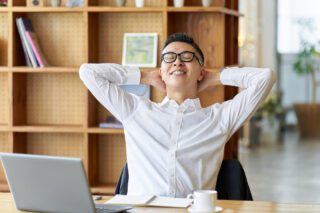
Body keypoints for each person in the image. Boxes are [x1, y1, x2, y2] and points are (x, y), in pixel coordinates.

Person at [79, 33, 276, 198]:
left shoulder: (219, 119)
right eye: (169, 57)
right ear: (161, 72)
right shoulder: (135, 111)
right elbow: (88, 72)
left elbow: (265, 78)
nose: (178, 62)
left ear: (201, 72)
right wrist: (144, 76)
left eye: (187, 57)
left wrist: (217, 77)